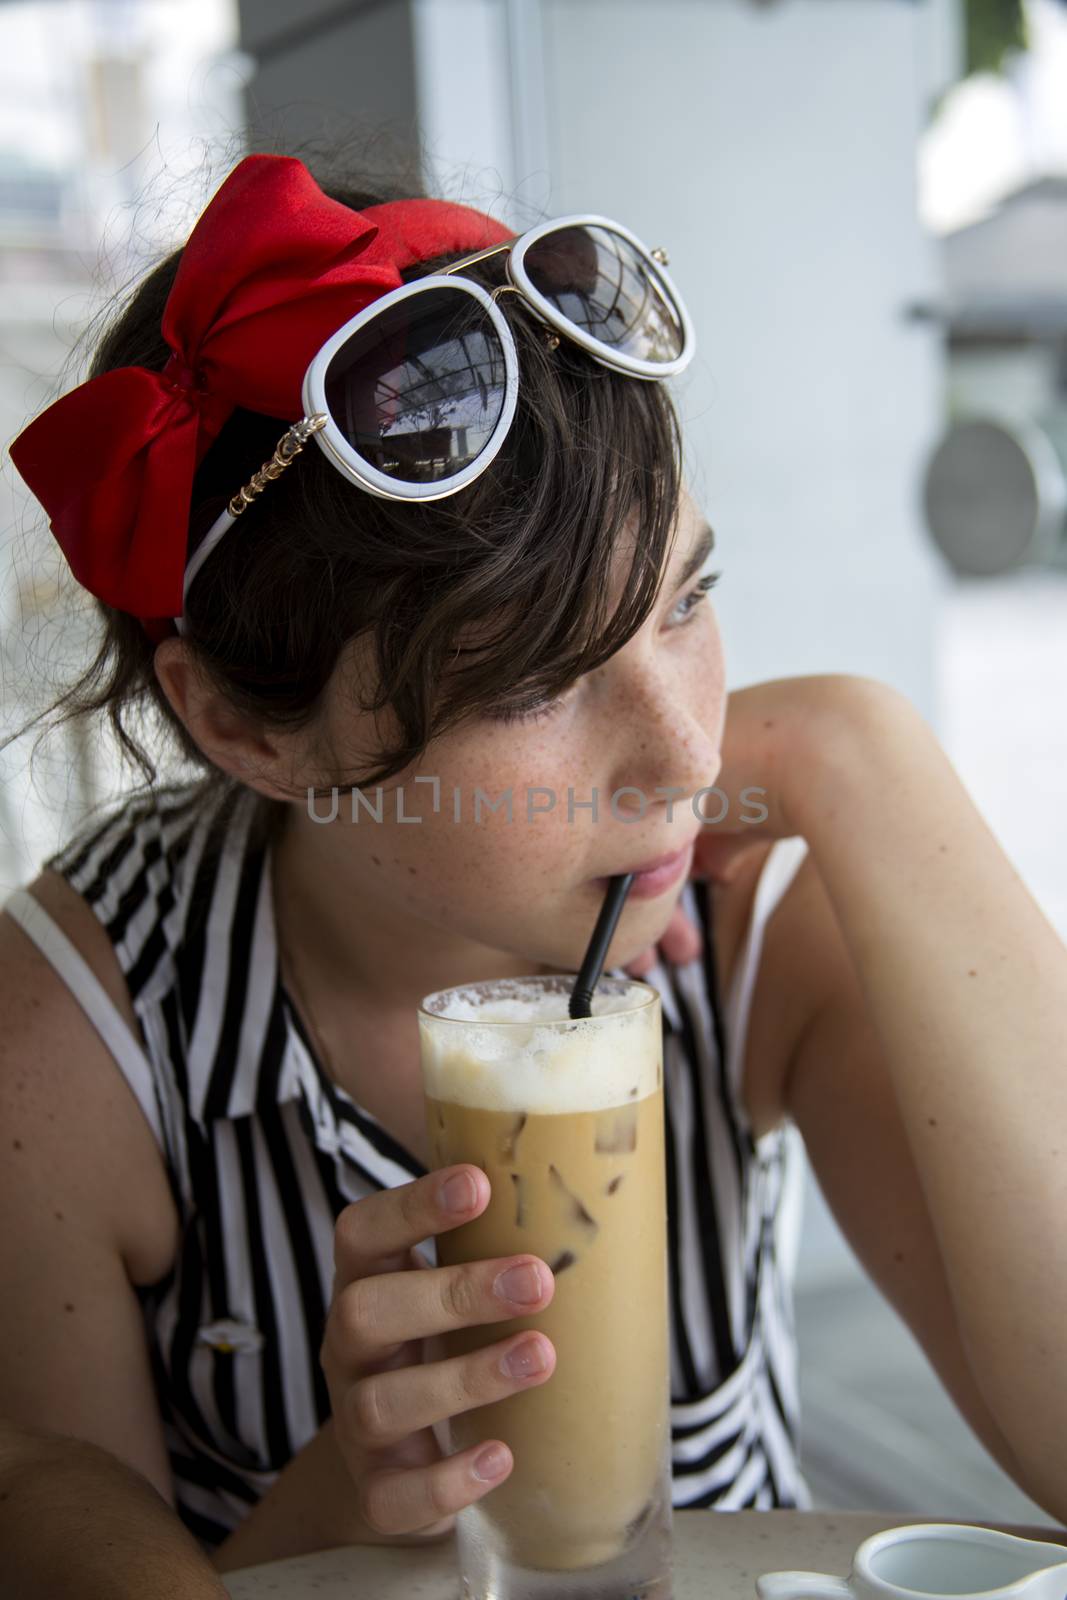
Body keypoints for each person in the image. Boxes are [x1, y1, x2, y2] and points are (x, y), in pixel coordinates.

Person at [2, 150, 1066, 1587]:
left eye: (688, 599)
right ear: (242, 726)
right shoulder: (78, 1028)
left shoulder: (741, 905)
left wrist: (857, 748)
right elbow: (55, 1502)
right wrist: (348, 1490)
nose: (687, 754)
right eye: (537, 683)